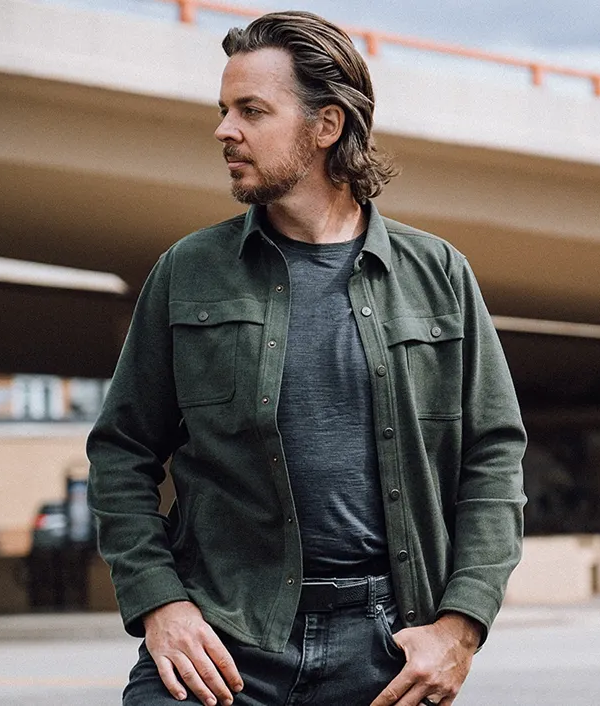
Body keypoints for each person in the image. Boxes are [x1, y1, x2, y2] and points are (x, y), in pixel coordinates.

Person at [87, 10, 526, 706]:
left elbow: (494, 458)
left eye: (251, 110)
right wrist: (159, 603)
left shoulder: (438, 274)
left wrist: (460, 627)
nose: (224, 130)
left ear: (326, 126)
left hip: (389, 650)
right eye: (224, 109)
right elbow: (121, 452)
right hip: (223, 641)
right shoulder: (188, 272)